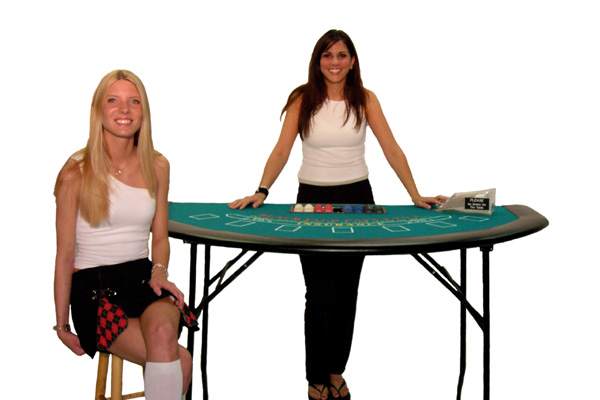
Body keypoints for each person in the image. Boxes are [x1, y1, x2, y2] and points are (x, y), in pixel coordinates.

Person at [229, 29, 447, 400]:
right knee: (319, 292)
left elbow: (391, 148)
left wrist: (415, 194)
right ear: (318, 61)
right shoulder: (302, 98)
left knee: (346, 292)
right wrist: (261, 190)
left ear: (353, 61)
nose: (335, 62)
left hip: (358, 199)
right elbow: (282, 150)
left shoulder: (365, 98)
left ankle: (335, 371)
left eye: (342, 55)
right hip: (311, 200)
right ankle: (315, 376)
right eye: (328, 55)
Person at [53, 70, 195, 400]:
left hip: (143, 279)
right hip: (94, 288)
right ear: (98, 110)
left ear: (144, 111)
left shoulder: (158, 165)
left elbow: (160, 238)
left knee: (163, 333)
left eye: (134, 101)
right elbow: (64, 254)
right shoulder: (76, 171)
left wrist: (160, 273)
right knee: (181, 361)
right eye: (113, 100)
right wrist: (61, 324)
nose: (124, 110)